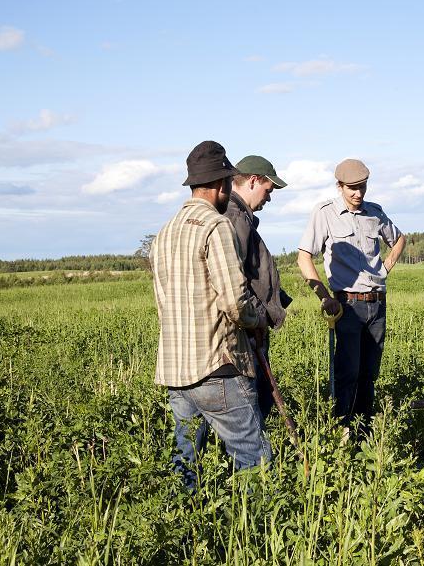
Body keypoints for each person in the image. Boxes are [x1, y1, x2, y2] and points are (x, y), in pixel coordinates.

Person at [150, 140, 271, 490]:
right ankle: (259, 535)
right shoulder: (216, 227)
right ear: (220, 185)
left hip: (176, 372)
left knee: (186, 464)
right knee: (254, 460)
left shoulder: (165, 232)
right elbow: (234, 300)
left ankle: (187, 536)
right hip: (217, 367)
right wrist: (258, 319)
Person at [297, 158, 406, 433]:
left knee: (369, 376)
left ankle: (364, 436)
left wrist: (386, 268)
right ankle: (341, 435)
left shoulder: (375, 212)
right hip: (347, 306)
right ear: (339, 186)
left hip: (377, 305)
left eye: (362, 187)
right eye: (352, 188)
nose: (358, 194)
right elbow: (304, 257)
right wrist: (323, 296)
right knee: (348, 375)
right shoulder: (324, 213)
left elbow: (399, 238)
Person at [224, 155, 293, 420]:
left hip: (250, 325)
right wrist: (255, 322)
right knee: (253, 404)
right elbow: (235, 278)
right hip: (247, 329)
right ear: (253, 181)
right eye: (269, 190)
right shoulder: (235, 218)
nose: (269, 197)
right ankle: (254, 460)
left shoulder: (240, 216)